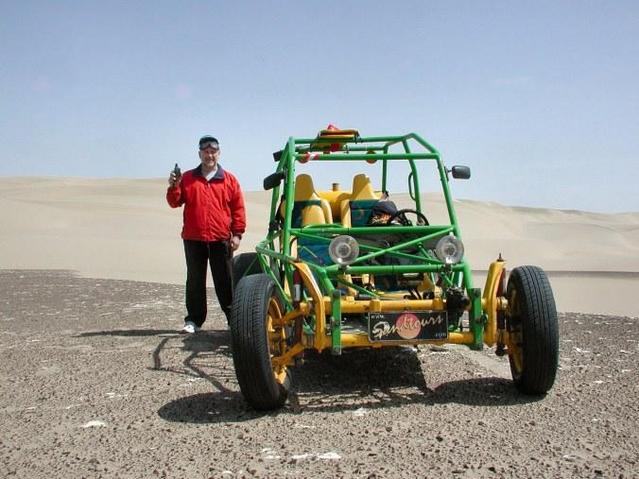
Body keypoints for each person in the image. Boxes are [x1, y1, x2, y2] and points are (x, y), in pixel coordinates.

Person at [166, 135, 246, 333]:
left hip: (221, 239)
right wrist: (174, 186)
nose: (209, 155)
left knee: (225, 280)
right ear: (199, 154)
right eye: (206, 152)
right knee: (195, 280)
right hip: (194, 238)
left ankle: (232, 319)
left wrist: (237, 234)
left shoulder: (229, 180)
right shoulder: (187, 178)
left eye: (213, 152)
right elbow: (174, 202)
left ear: (218, 153)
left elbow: (238, 209)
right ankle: (194, 320)